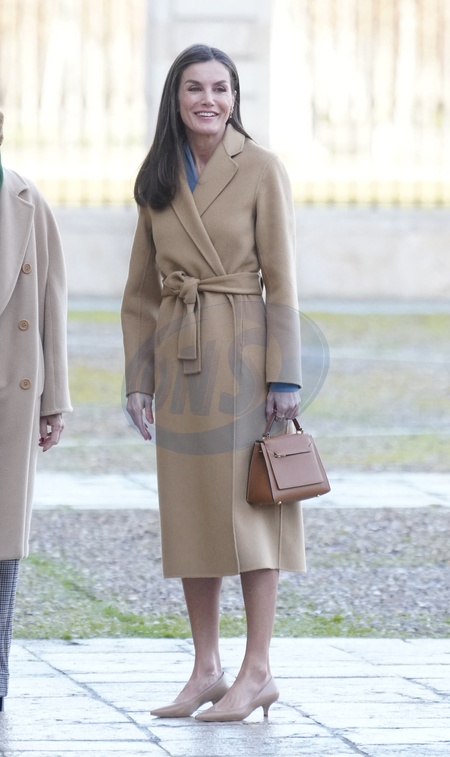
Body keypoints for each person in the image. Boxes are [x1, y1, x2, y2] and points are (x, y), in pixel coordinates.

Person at [121, 44, 303, 722]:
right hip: (180, 359)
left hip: (246, 358)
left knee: (253, 510)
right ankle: (206, 668)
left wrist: (284, 375)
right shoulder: (158, 175)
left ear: (234, 98)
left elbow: (282, 279)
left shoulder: (260, 168)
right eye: (195, 88)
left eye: (221, 88)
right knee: (192, 514)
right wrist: (139, 378)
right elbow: (140, 290)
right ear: (175, 98)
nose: (209, 100)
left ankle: (258, 669)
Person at [0, 111, 72, 712]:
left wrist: (55, 400)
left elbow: (52, 300)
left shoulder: (27, 199)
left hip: (10, 395)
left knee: (1, 541)